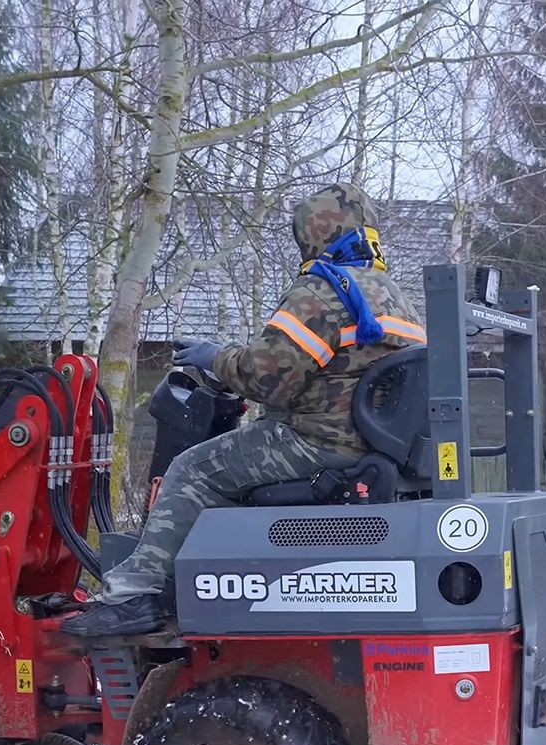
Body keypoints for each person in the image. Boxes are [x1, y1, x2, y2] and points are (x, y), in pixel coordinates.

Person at [62, 182, 427, 637]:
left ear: (313, 235)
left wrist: (213, 356)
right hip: (371, 445)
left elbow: (267, 379)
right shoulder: (399, 300)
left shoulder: (323, 292)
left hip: (317, 441)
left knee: (192, 469)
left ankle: (137, 593)